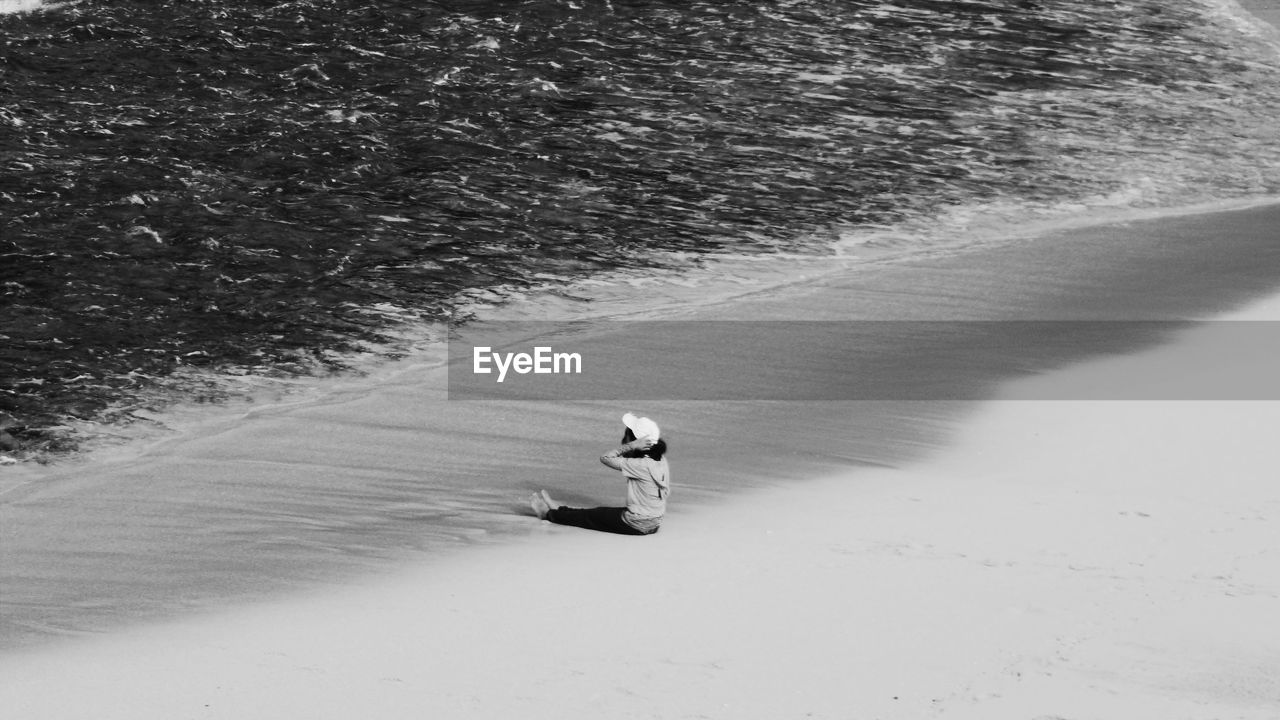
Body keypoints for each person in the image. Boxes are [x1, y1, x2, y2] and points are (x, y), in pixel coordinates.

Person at [531, 413, 670, 536]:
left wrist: (631, 446)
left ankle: (548, 515)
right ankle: (560, 509)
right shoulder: (660, 461)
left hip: (636, 525)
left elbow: (606, 458)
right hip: (653, 523)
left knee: (590, 517)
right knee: (597, 513)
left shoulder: (640, 465)